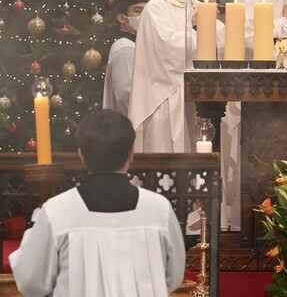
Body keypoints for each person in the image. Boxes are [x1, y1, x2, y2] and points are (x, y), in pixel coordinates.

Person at [10, 109, 186, 296]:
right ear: (131, 153)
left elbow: (32, 283)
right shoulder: (158, 209)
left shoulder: (58, 211)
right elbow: (173, 276)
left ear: (81, 155)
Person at [129, 0, 223, 152]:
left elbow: (223, 42)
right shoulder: (156, 8)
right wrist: (196, 25)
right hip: (165, 99)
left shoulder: (195, 4)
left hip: (197, 96)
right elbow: (171, 49)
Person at [103, 0, 148, 116]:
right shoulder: (125, 48)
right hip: (133, 124)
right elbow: (126, 94)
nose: (144, 16)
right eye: (138, 11)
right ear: (122, 18)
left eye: (146, 11)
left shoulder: (136, 45)